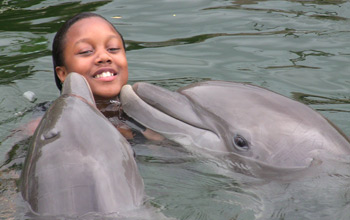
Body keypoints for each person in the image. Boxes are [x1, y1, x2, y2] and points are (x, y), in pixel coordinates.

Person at [34, 12, 163, 141]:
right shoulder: (46, 125)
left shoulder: (148, 114)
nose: (104, 57)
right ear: (63, 73)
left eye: (113, 48)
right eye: (86, 51)